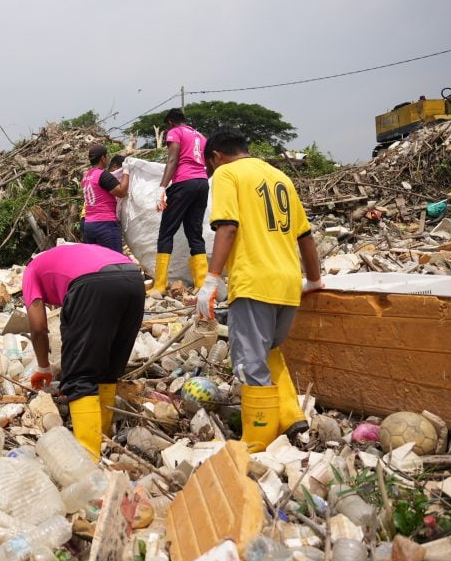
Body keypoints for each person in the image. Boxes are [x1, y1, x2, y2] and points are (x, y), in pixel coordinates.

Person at [196, 127, 323, 452]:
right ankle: (291, 415)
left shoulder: (226, 174)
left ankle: (260, 444)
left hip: (253, 284)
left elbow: (228, 226)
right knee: (267, 351)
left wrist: (211, 280)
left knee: (249, 364)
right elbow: (305, 236)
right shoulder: (280, 176)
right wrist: (314, 280)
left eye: (209, 168)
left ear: (215, 157)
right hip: (287, 285)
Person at [22, 244, 146, 460]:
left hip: (91, 284)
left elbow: (39, 327)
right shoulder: (65, 255)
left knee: (80, 375)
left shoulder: (31, 270)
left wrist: (44, 367)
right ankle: (103, 438)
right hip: (134, 279)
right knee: (108, 370)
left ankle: (89, 459)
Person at [151, 108, 210, 295]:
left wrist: (162, 187)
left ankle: (159, 285)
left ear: (170, 122)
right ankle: (201, 284)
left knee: (166, 231)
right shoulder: (201, 136)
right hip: (201, 183)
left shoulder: (174, 132)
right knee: (195, 232)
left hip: (183, 183)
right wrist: (200, 179)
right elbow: (209, 164)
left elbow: (173, 160)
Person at [81, 145, 129, 252]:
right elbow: (122, 192)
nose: (108, 159)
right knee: (115, 260)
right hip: (105, 224)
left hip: (89, 225)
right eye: (107, 156)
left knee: (98, 261)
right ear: (103, 158)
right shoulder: (103, 175)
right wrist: (126, 170)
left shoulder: (86, 177)